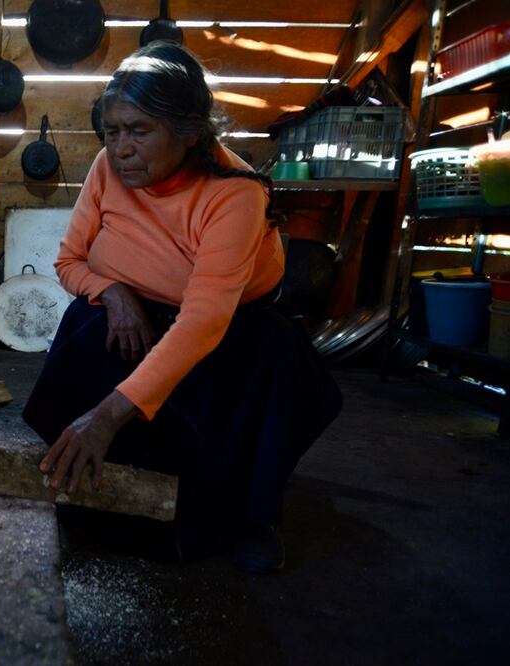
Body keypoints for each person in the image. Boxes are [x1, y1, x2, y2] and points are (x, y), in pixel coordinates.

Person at [22, 42, 342, 574]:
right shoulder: (108, 167)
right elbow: (69, 261)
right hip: (136, 309)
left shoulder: (234, 193)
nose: (120, 148)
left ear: (190, 131)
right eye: (113, 130)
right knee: (86, 321)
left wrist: (105, 417)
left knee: (271, 353)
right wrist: (113, 293)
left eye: (139, 131)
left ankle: (249, 516)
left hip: (228, 323)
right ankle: (83, 486)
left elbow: (201, 322)